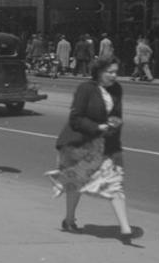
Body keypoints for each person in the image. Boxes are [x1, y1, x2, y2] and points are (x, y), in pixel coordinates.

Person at [45, 56, 136, 244]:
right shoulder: (85, 89)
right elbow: (75, 119)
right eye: (110, 72)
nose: (114, 76)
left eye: (116, 72)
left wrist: (114, 124)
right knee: (75, 183)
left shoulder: (117, 89)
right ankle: (69, 220)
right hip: (80, 144)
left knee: (115, 182)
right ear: (99, 72)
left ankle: (125, 228)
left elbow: (117, 114)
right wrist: (97, 128)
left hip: (105, 146)